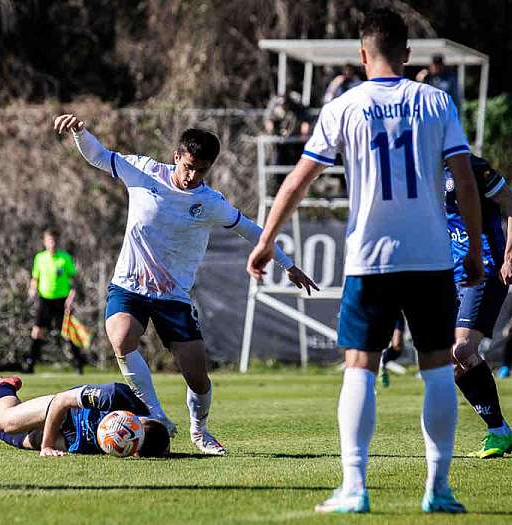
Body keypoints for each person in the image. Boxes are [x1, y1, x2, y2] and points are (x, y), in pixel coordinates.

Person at [247, 8, 484, 514]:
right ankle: (438, 489)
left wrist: (266, 240)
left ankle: (354, 487)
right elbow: (465, 182)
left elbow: (297, 179)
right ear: (407, 54)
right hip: (431, 256)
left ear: (362, 54)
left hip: (371, 258)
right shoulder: (436, 101)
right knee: (438, 367)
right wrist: (477, 251)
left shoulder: (345, 106)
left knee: (360, 367)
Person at [53, 114, 316, 456]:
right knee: (121, 339)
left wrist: (287, 264)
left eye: (201, 170)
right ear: (177, 156)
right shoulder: (144, 171)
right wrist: (80, 132)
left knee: (198, 378)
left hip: (173, 297)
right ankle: (155, 414)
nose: (193, 176)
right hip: (129, 288)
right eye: (189, 166)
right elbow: (101, 156)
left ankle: (199, 430)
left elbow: (251, 230)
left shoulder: (209, 202)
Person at [444, 155, 512, 457]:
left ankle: (498, 431)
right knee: (451, 359)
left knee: (462, 349)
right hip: (451, 274)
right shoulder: (423, 170)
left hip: (485, 270)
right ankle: (499, 431)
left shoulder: (474, 168)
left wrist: (510, 257)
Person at [0, 376, 171, 458]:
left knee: (30, 441)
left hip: (82, 440)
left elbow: (160, 446)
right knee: (8, 422)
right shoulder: (112, 396)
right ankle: (4, 387)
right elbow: (61, 401)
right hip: (69, 410)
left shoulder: (141, 443)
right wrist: (47, 446)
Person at [27, 229, 84, 374]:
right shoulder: (40, 258)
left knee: (68, 331)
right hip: (45, 299)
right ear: (45, 242)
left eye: (54, 241)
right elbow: (35, 278)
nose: (52, 244)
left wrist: (71, 297)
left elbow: (74, 281)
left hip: (62, 301)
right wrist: (33, 289)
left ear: (58, 242)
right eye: (49, 241)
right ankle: (30, 364)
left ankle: (78, 364)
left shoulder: (65, 258)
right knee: (37, 331)